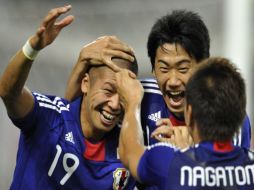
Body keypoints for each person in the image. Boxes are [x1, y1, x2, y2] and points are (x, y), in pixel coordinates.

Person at [64, 10, 251, 149]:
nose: (173, 80)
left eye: (183, 68)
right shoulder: (139, 96)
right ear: (153, 69)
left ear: (203, 67)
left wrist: (192, 152)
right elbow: (73, 117)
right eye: (164, 68)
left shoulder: (227, 115)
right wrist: (83, 60)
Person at [0, 5, 137, 189]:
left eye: (122, 95)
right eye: (108, 90)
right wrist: (32, 48)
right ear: (86, 83)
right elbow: (9, 93)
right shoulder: (50, 118)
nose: (114, 104)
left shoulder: (128, 153)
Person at [116, 57, 254, 189]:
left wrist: (132, 103)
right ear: (240, 114)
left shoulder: (169, 161)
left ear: (189, 113)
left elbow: (129, 152)